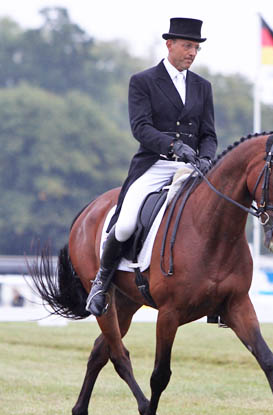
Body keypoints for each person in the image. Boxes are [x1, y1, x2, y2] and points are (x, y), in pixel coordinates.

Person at [86, 17, 218, 317]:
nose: (192, 53)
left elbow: (209, 134)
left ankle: (217, 293)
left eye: (196, 48)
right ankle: (101, 282)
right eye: (187, 46)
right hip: (155, 165)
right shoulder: (143, 81)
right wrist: (174, 147)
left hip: (192, 168)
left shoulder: (202, 86)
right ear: (169, 44)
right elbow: (141, 128)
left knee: (217, 215)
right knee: (127, 223)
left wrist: (207, 158)